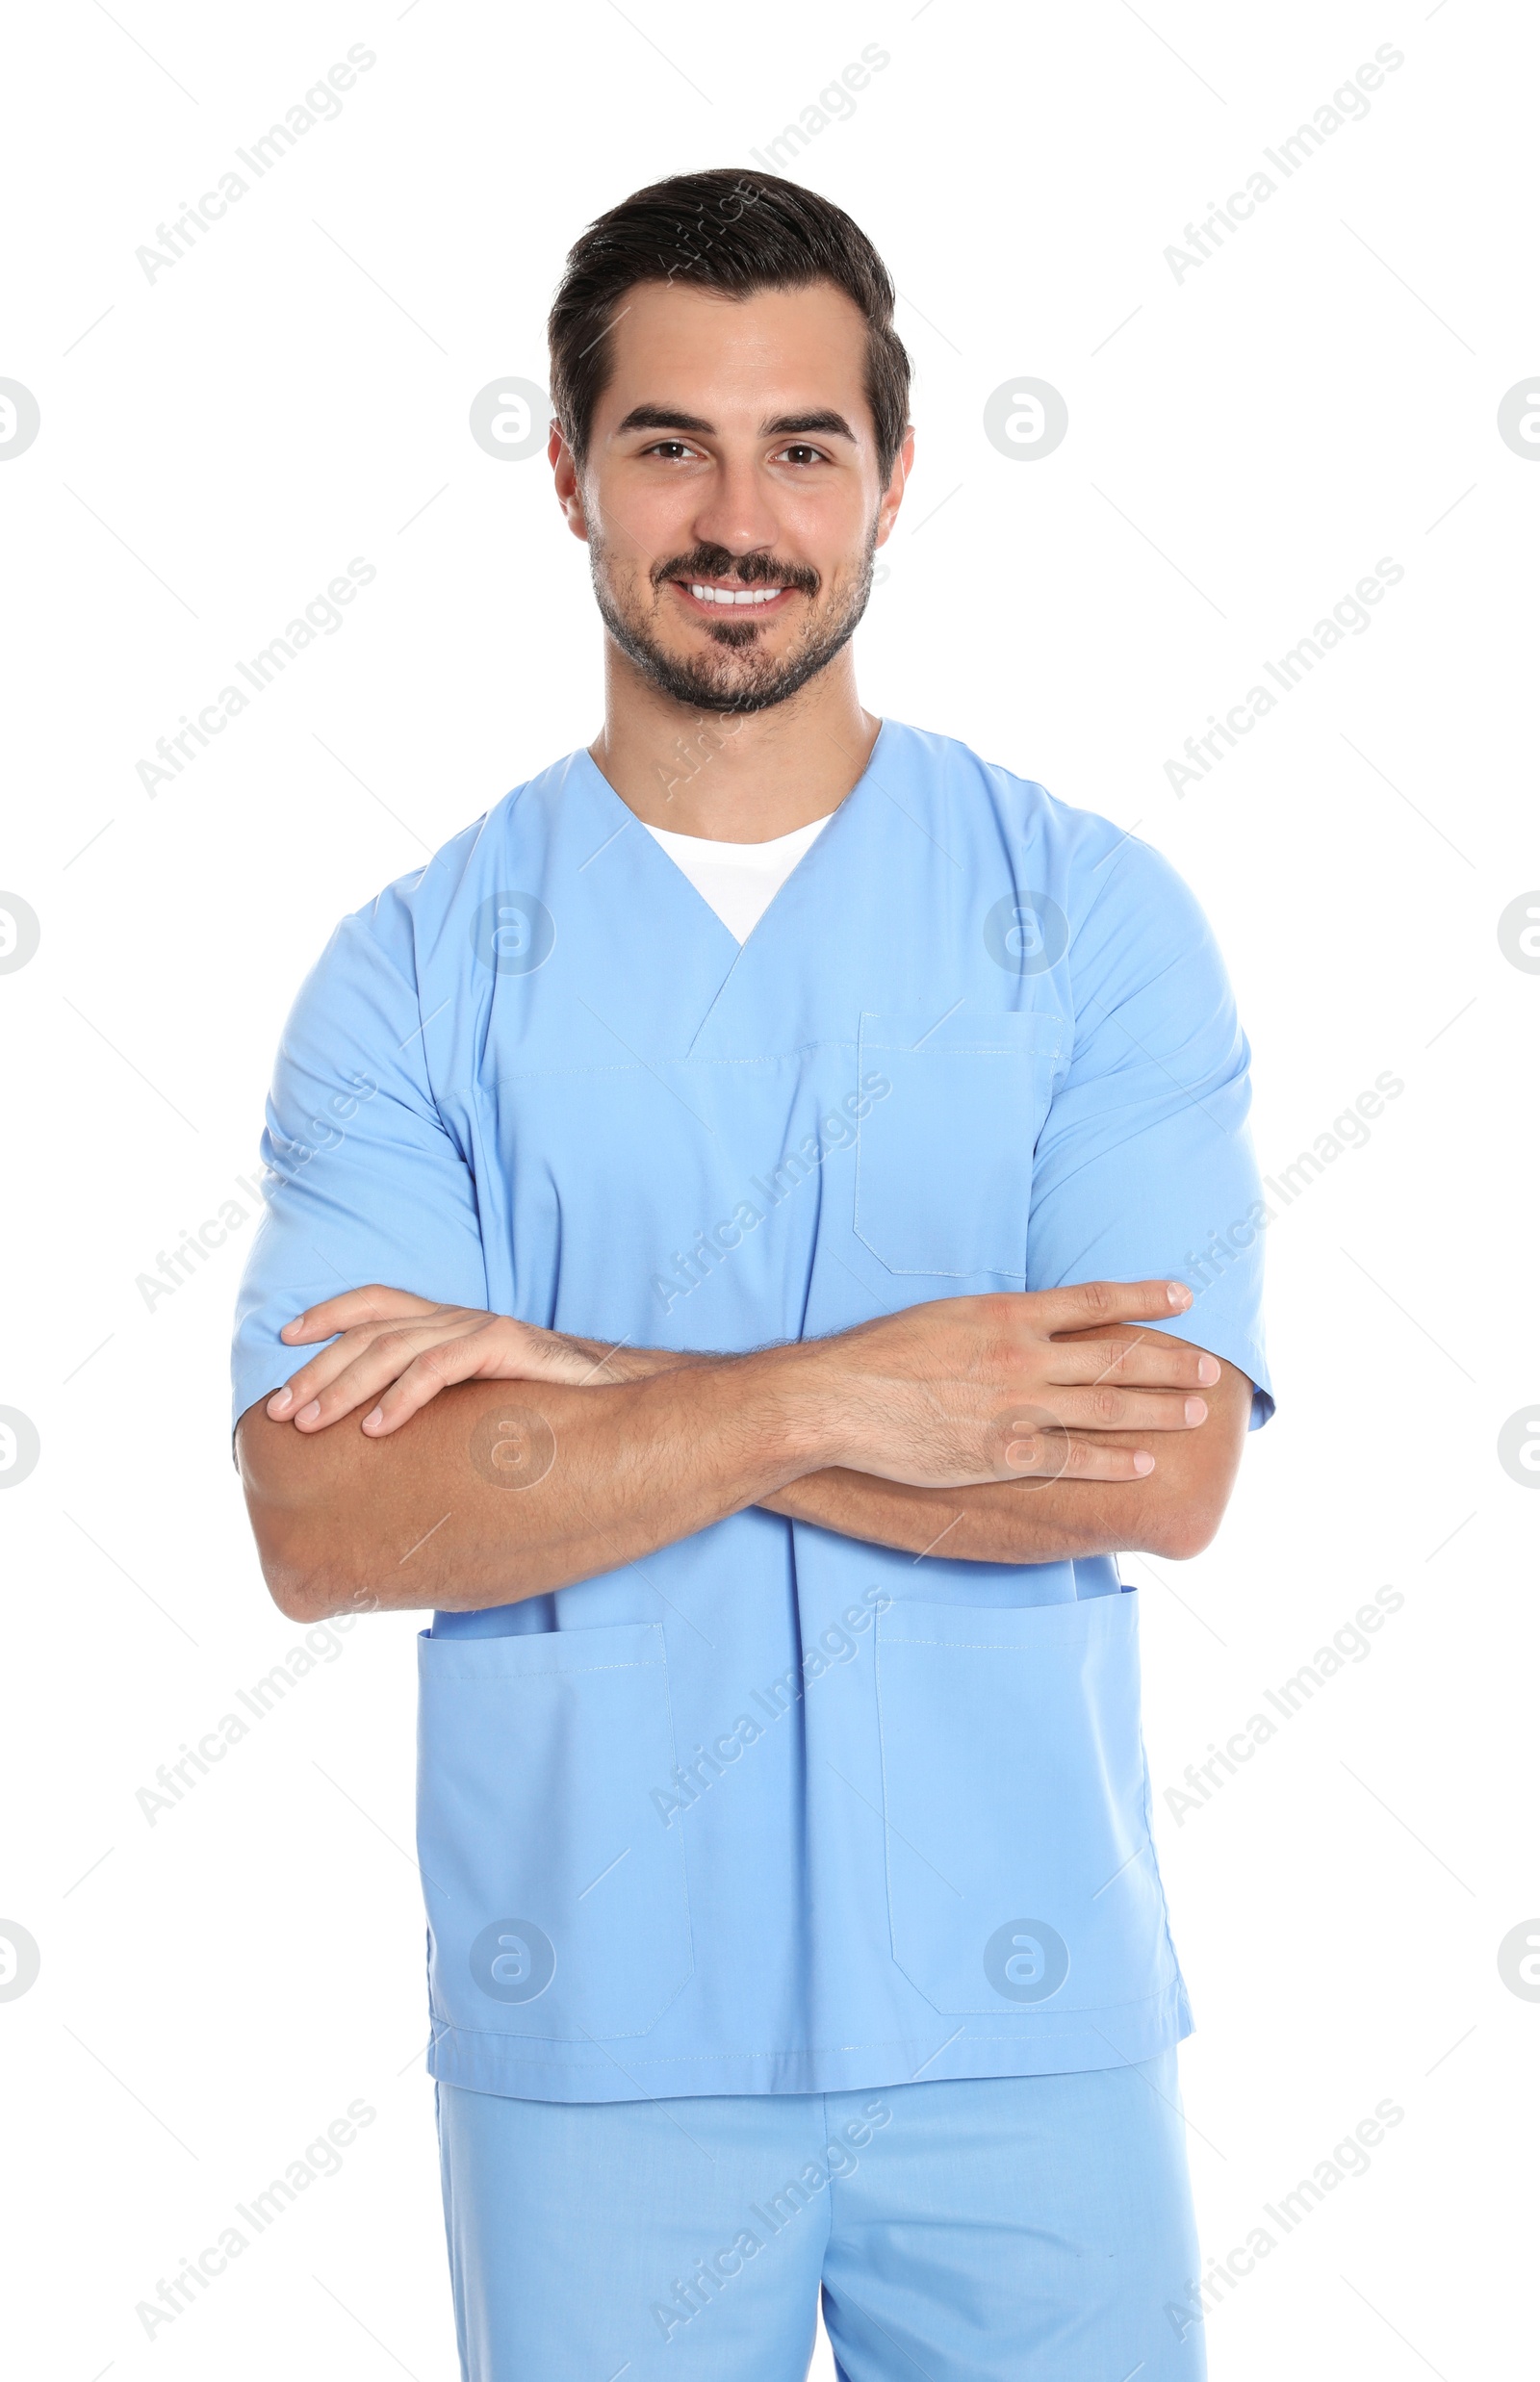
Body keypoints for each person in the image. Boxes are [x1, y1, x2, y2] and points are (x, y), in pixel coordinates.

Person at [233, 168, 1272, 2381]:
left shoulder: (1085, 920)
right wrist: (843, 1391)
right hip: (595, 2026)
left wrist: (573, 1386)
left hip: (1025, 2016)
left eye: (803, 444)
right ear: (565, 472)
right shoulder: (414, 975)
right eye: (667, 443)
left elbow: (1160, 1470)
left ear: (893, 477)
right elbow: (326, 1518)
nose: (739, 513)